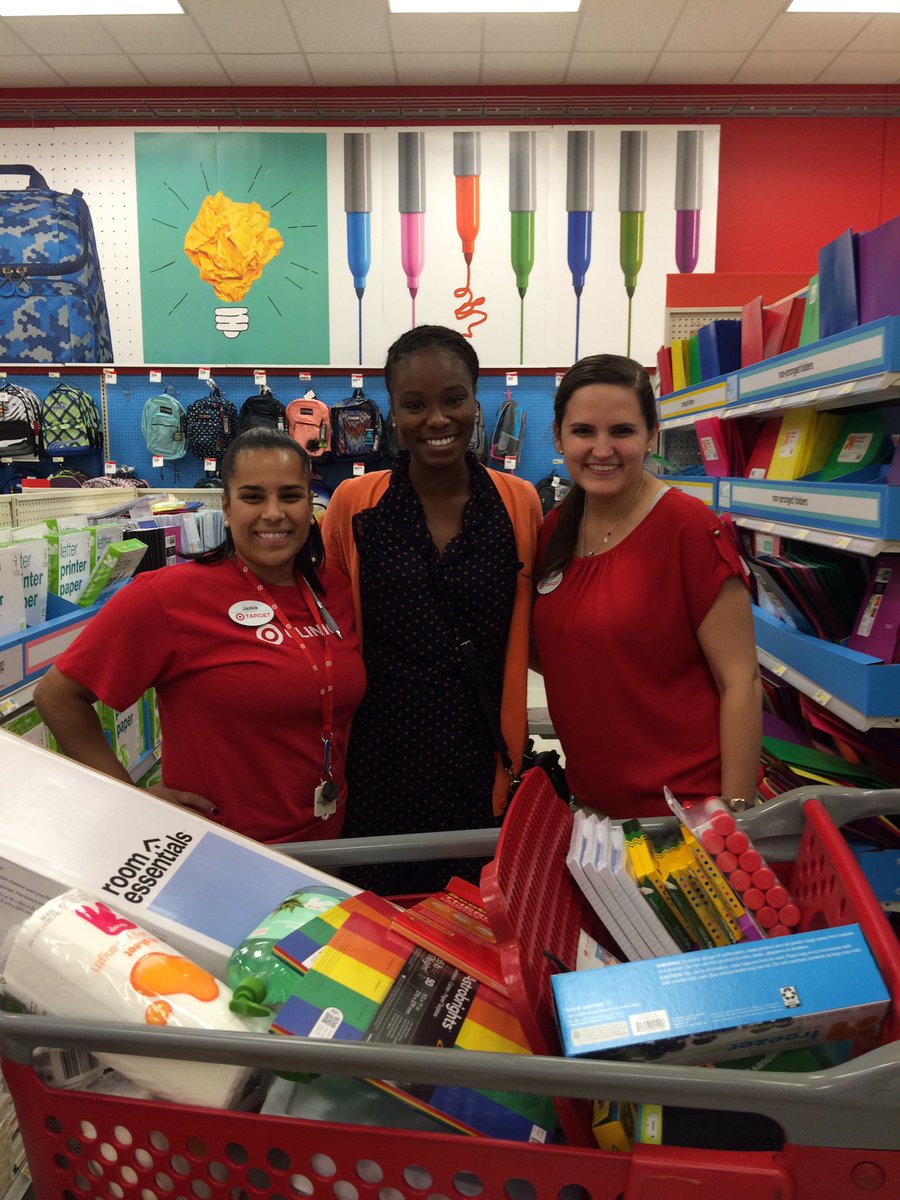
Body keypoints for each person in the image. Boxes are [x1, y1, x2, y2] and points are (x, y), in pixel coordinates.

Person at [34, 427, 366, 844]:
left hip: (331, 842)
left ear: (311, 505)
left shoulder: (333, 589)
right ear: (226, 507)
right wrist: (129, 802)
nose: (274, 513)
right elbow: (58, 695)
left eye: (290, 495)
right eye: (252, 496)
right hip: (217, 851)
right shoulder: (167, 596)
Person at [322, 325, 542, 890]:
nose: (437, 420)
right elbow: (324, 629)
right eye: (414, 405)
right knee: (378, 928)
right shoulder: (355, 505)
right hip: (378, 760)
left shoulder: (518, 504)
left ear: (476, 399)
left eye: (453, 399)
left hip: (481, 759)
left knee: (478, 925)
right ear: (392, 411)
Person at [533, 353, 761, 819]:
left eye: (622, 431)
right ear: (558, 436)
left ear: (651, 434)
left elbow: (741, 679)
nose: (602, 449)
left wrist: (737, 816)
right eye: (583, 432)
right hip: (593, 810)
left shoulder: (688, 529)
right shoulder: (553, 530)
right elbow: (554, 650)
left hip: (689, 812)